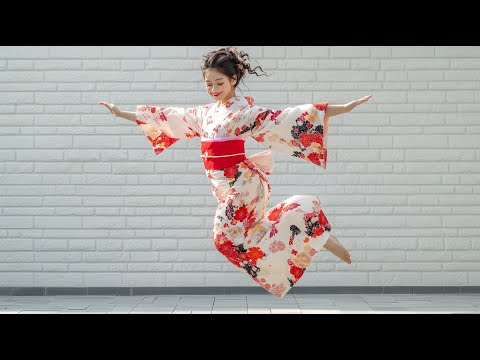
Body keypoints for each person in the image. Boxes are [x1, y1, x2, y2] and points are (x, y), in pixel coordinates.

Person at [99, 46, 372, 298]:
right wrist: (122, 113)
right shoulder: (205, 113)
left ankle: (310, 224)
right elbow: (169, 116)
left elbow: (287, 117)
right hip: (226, 188)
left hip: (243, 184)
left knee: (223, 239)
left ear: (233, 80)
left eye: (219, 83)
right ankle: (313, 228)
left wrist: (341, 109)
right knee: (247, 235)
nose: (214, 89)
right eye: (208, 84)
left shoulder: (243, 113)